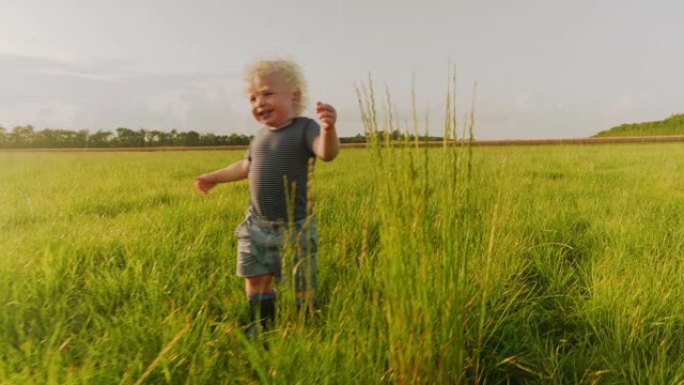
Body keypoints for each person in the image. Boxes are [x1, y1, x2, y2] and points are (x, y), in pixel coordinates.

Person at [194, 58, 340, 335]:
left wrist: (328, 129)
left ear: (294, 96)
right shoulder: (259, 137)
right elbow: (244, 167)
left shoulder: (305, 128)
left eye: (268, 93)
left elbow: (326, 152)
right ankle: (261, 326)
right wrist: (212, 177)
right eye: (253, 98)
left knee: (301, 285)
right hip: (255, 225)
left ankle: (305, 328)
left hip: (294, 228)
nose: (259, 102)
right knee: (255, 276)